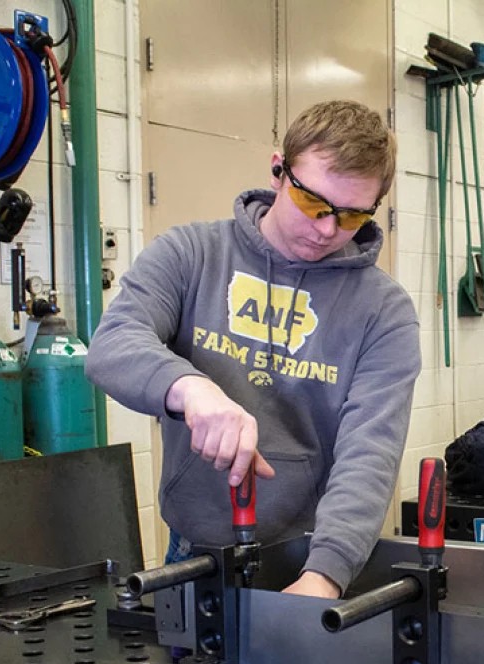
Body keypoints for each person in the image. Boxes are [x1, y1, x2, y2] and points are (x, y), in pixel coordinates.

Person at [87, 100, 421, 597]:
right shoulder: (191, 255)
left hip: (311, 560)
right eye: (315, 205)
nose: (328, 229)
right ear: (278, 172)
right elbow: (113, 345)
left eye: (352, 216)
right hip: (193, 554)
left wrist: (326, 575)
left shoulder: (384, 311)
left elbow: (370, 452)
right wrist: (192, 389)